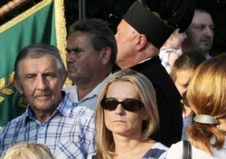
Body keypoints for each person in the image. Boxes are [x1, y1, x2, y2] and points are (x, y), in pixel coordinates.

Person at [0, 44, 95, 159]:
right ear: (18, 85)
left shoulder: (87, 123)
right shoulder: (7, 134)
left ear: (64, 78)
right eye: (31, 77)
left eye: (49, 75)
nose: (41, 86)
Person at [115, 0, 195, 147]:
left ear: (140, 41)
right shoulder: (148, 79)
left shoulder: (151, 87)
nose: (114, 39)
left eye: (119, 33)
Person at [65, 19, 116, 110]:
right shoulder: (57, 99)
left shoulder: (119, 99)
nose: (69, 59)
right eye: (68, 52)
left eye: (78, 51)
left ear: (105, 55)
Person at [171, 51, 207, 140]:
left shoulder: (214, 115)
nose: (191, 90)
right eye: (185, 85)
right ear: (173, 82)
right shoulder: (165, 112)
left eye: (196, 84)